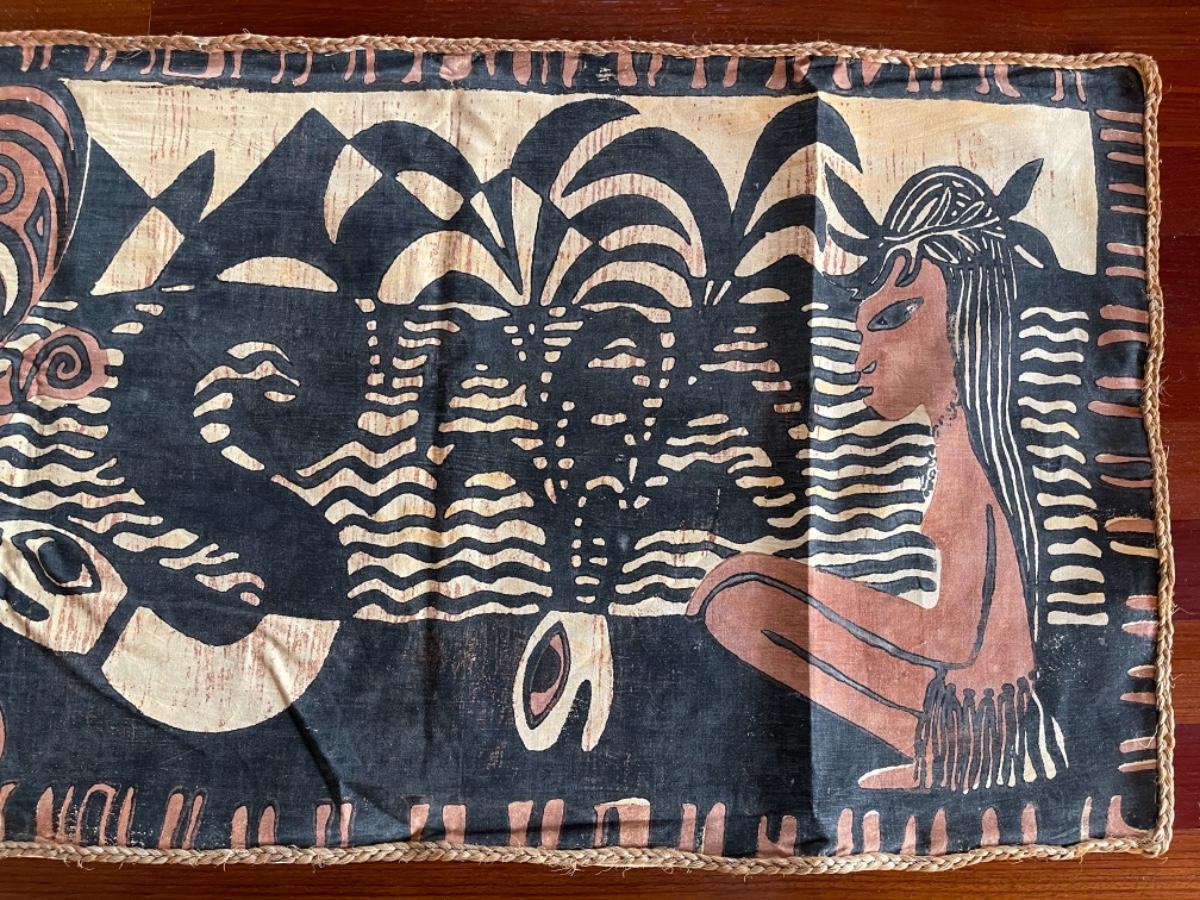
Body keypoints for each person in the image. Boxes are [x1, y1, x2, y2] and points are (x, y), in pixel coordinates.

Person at [688, 163, 1067, 792]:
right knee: (740, 599)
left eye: (895, 319)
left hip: (989, 725)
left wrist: (783, 580)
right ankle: (935, 755)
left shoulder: (974, 454)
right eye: (862, 331)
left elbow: (954, 639)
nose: (862, 362)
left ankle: (952, 765)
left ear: (966, 310)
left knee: (739, 602)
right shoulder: (957, 436)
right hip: (966, 707)